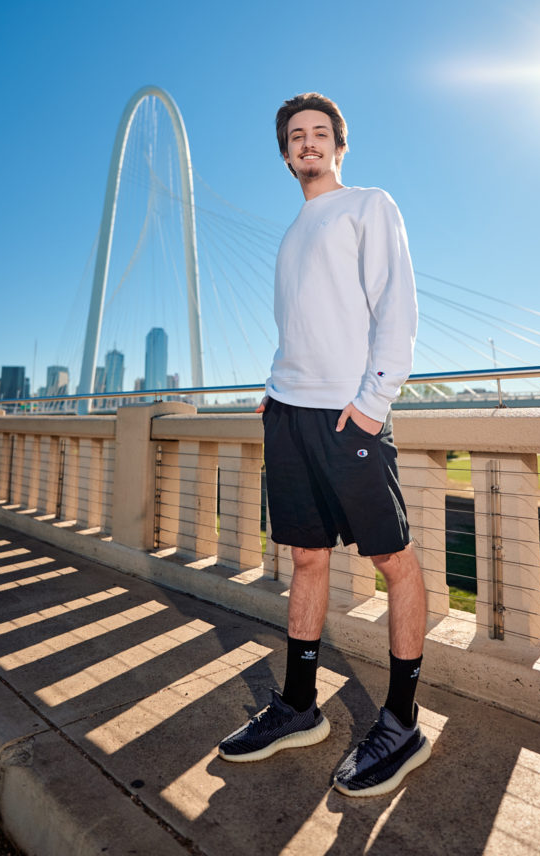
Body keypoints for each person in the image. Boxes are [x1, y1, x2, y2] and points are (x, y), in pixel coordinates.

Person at [218, 92, 430, 796]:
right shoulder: (291, 232)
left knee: (392, 561)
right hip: (288, 413)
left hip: (349, 418)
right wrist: (276, 390)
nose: (306, 144)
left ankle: (400, 722)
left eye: (319, 134)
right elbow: (302, 325)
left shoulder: (368, 205)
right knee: (305, 557)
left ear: (338, 146)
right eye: (294, 136)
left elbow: (395, 308)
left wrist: (372, 405)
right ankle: (298, 707)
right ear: (284, 154)